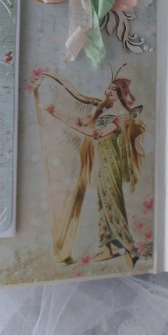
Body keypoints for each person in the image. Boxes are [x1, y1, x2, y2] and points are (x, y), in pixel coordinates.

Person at [46, 78, 145, 268]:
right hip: (102, 161)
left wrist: (79, 126)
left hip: (112, 162)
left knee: (113, 201)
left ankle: (129, 250)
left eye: (114, 90)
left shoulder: (123, 116)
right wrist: (55, 113)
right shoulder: (103, 112)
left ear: (121, 94)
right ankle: (107, 248)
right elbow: (81, 121)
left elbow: (95, 134)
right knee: (103, 201)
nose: (110, 91)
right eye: (109, 89)